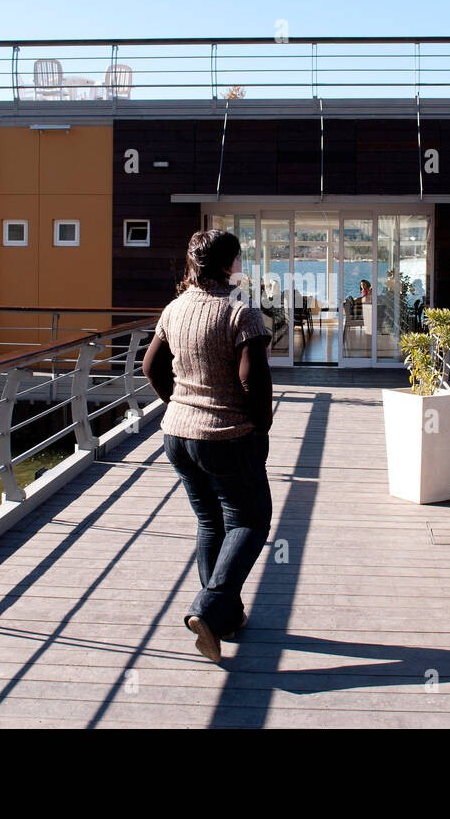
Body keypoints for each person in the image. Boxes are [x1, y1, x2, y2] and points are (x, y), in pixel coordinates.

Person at [141, 229, 274, 662]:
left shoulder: (174, 309)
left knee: (211, 522)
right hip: (227, 436)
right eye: (238, 259)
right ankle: (207, 607)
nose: (241, 266)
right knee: (251, 521)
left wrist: (180, 405)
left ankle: (226, 620)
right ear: (225, 265)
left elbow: (150, 366)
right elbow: (253, 380)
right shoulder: (241, 314)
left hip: (177, 435)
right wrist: (261, 427)